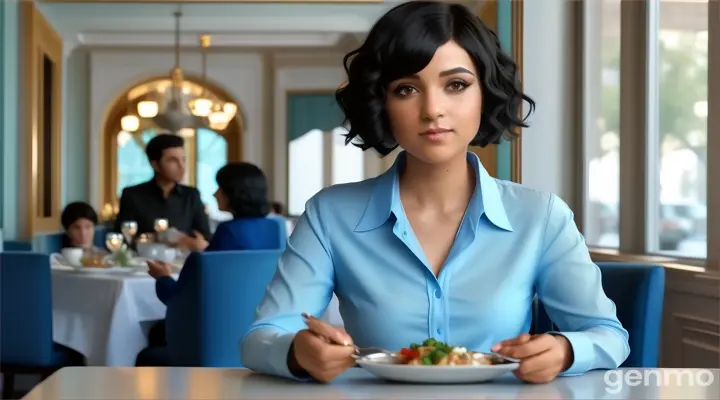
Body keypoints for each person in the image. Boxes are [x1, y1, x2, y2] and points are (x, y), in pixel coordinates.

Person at [240, 0, 629, 384]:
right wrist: (298, 352)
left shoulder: (541, 216)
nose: (433, 110)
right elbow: (261, 337)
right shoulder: (331, 214)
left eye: (456, 85)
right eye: (407, 89)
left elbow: (608, 335)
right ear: (382, 102)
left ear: (485, 93)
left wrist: (564, 351)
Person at [139, 162, 283, 353]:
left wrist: (162, 277)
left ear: (234, 193)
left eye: (220, 188)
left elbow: (180, 298)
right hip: (265, 331)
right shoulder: (276, 228)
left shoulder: (229, 231)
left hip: (218, 336)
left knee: (149, 345)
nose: (215, 194)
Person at [114, 133, 211, 246]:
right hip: (142, 261)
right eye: (173, 160)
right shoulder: (132, 195)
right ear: (155, 164)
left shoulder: (192, 195)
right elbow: (122, 238)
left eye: (183, 159)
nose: (181, 166)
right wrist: (156, 238)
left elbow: (205, 236)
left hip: (183, 261)